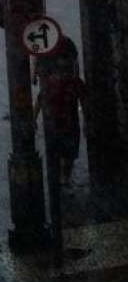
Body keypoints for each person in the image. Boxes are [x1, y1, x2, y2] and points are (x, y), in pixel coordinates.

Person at [34, 37, 86, 186]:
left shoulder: (74, 83)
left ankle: (65, 178)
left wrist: (86, 123)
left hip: (68, 123)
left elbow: (84, 103)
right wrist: (33, 118)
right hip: (56, 123)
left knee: (68, 155)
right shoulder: (52, 82)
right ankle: (61, 179)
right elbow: (40, 99)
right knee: (59, 153)